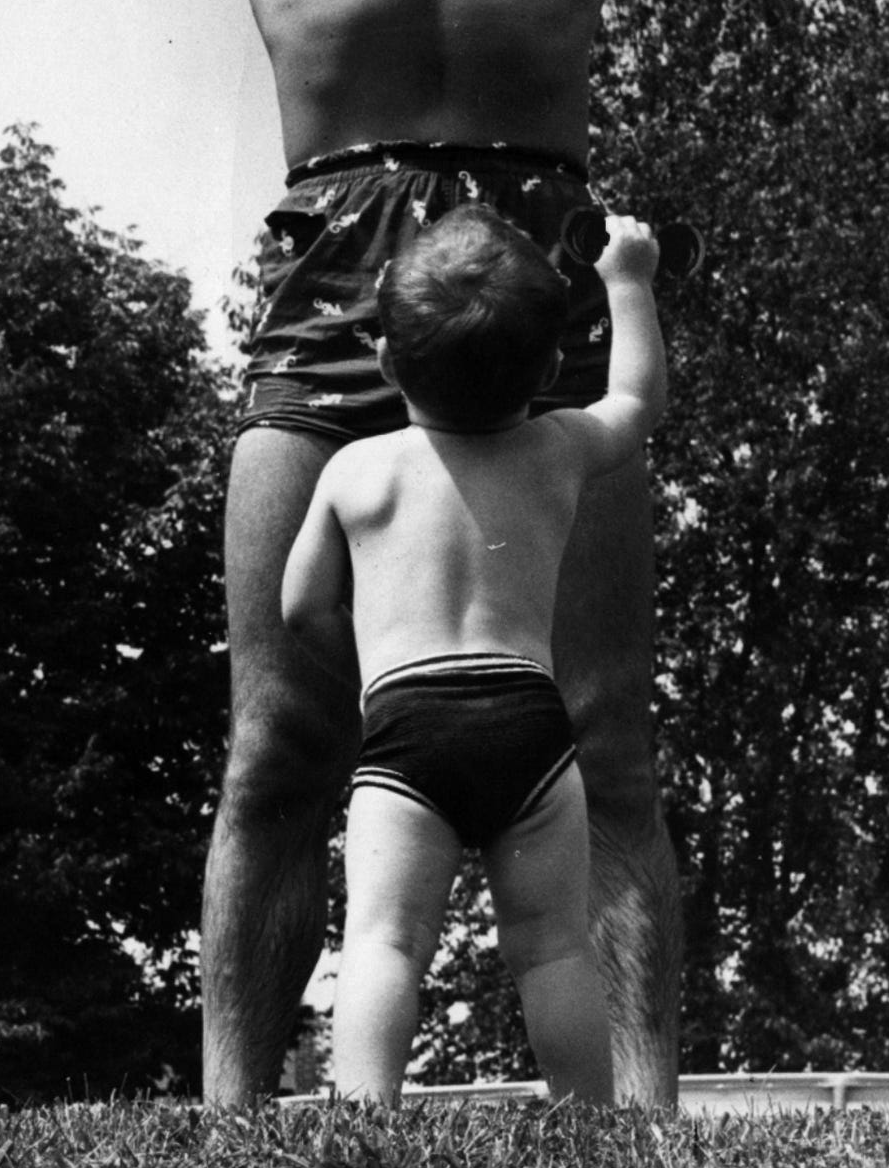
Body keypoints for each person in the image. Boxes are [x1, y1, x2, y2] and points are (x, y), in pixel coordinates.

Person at [12, 0, 796, 1105]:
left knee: (603, 727)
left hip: (535, 255)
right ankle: (235, 1127)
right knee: (283, 732)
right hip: (333, 269)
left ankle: (646, 1129)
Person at [281, 206, 668, 1104]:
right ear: (542, 371)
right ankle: (591, 1128)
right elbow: (636, 404)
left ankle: (366, 1125)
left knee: (384, 942)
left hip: (407, 726)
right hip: (529, 724)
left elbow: (302, 607)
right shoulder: (557, 448)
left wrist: (373, 678)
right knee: (554, 947)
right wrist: (629, 282)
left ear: (388, 363)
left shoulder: (357, 470)